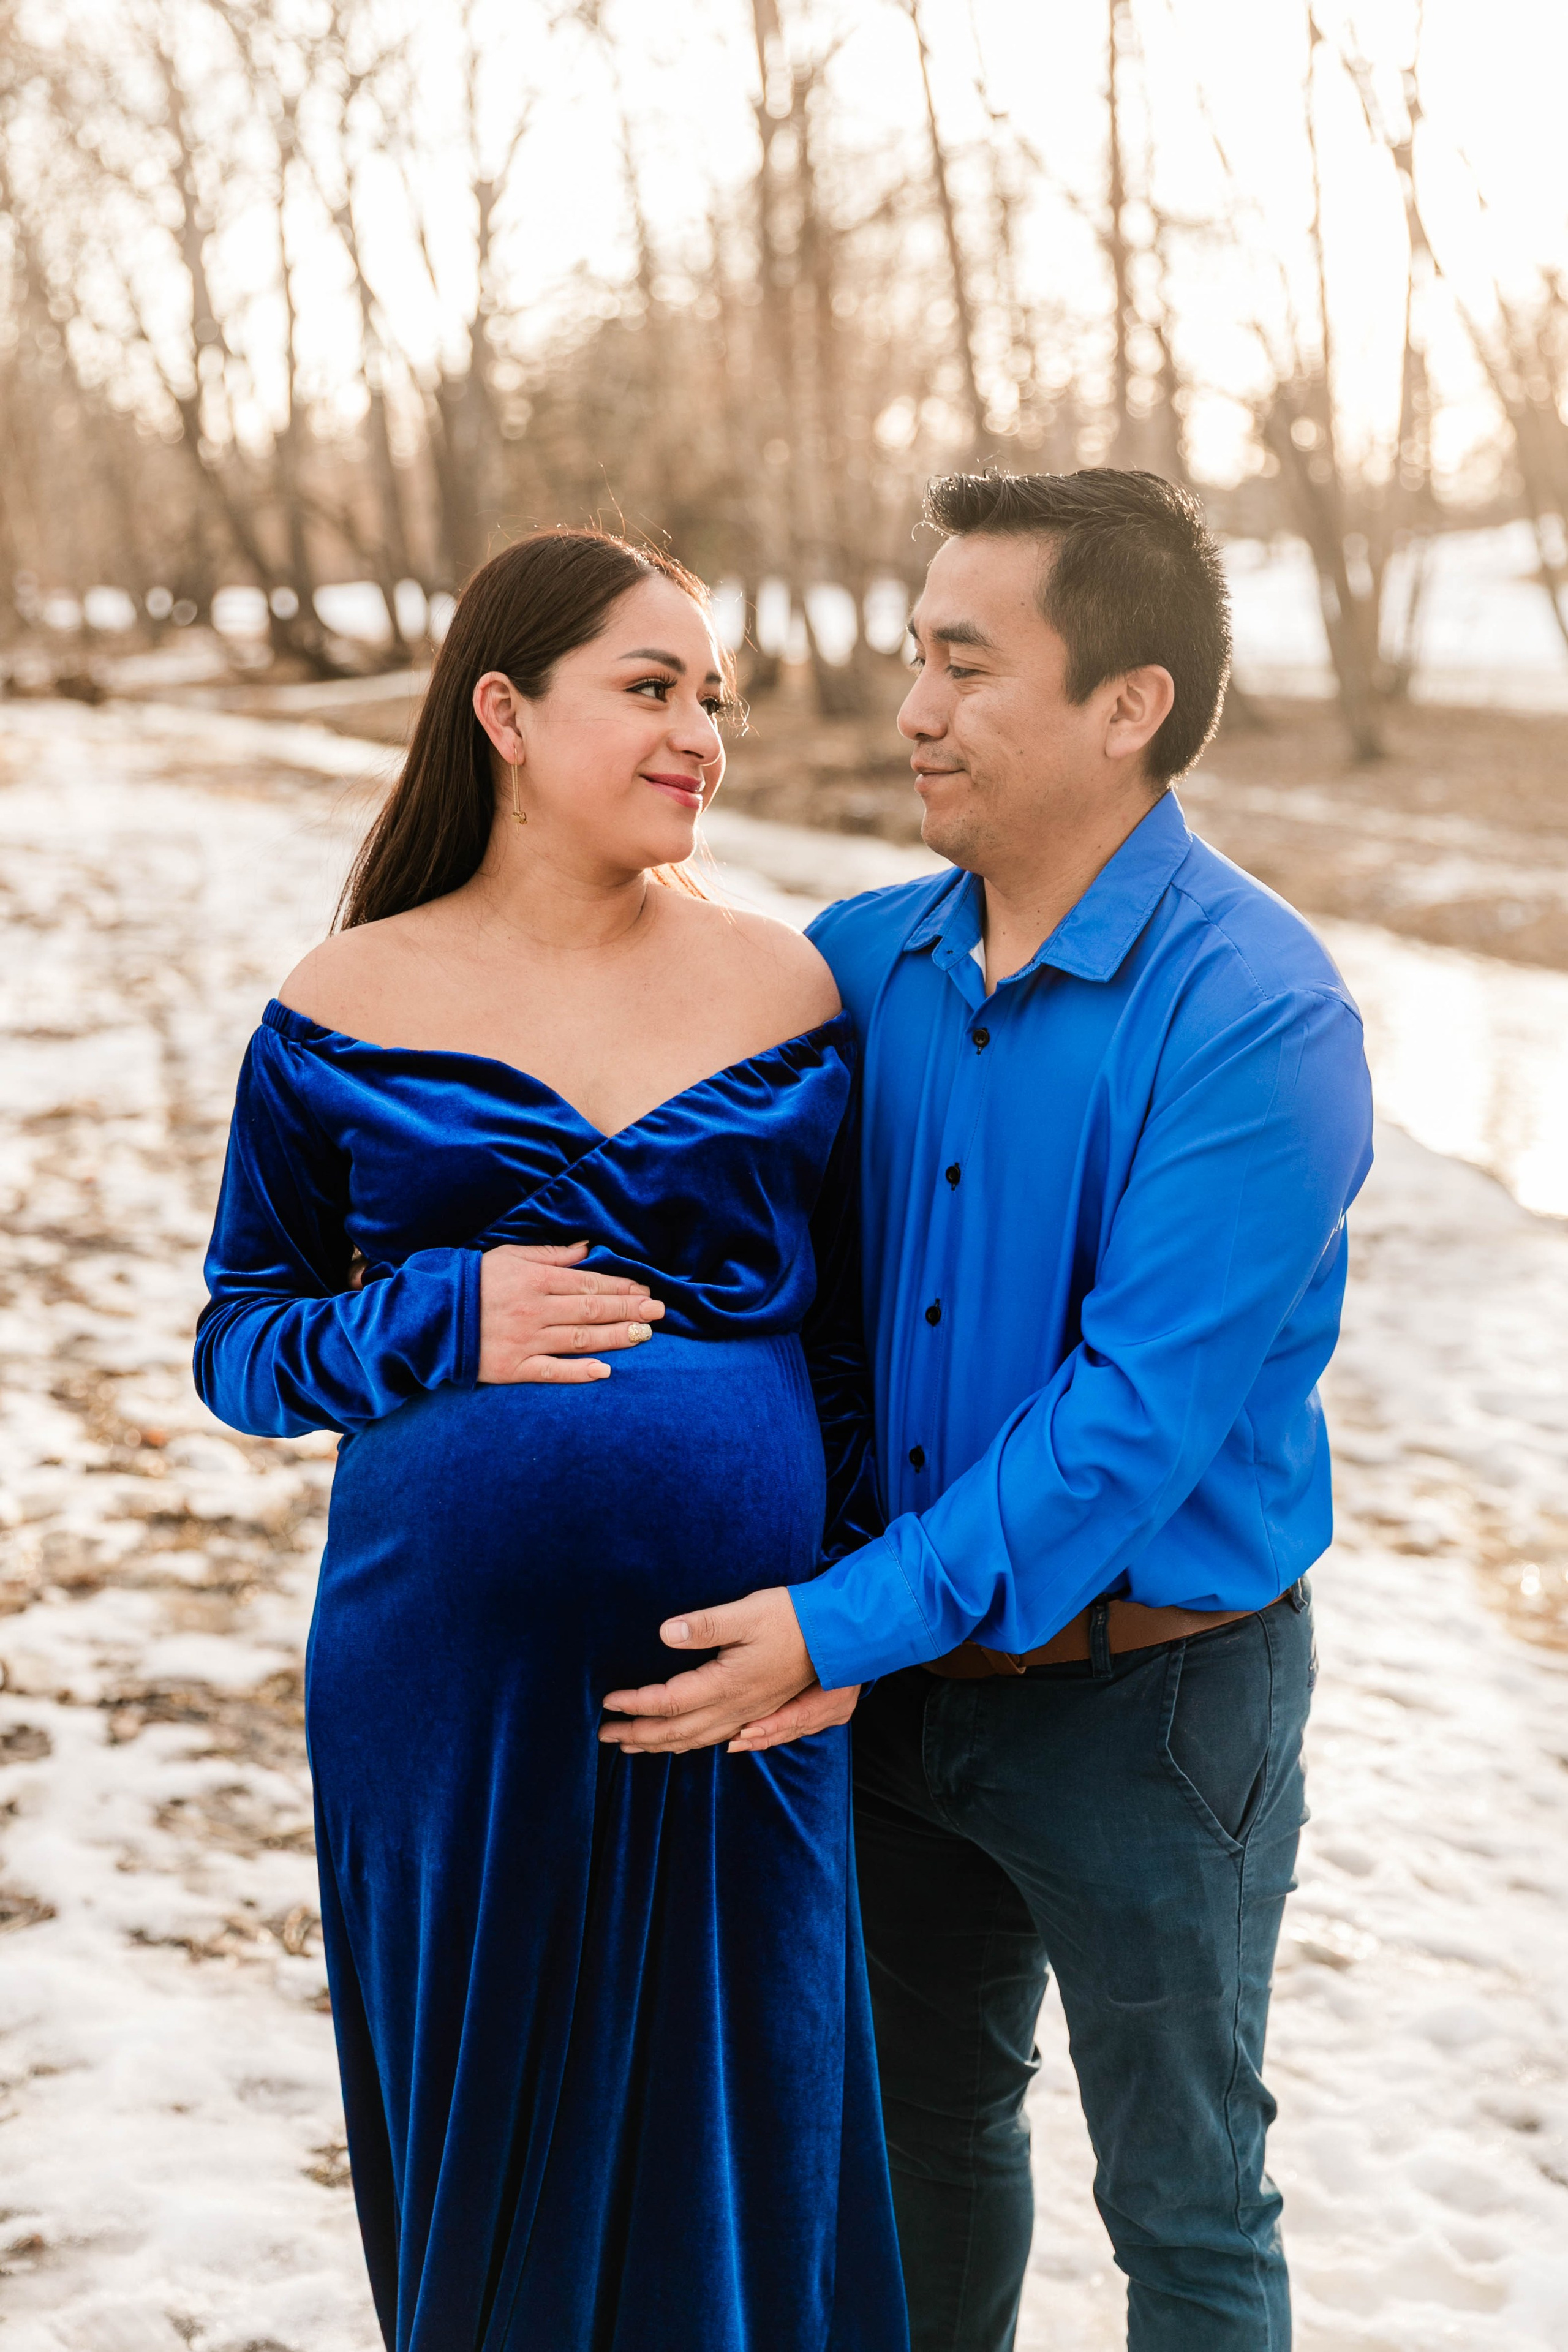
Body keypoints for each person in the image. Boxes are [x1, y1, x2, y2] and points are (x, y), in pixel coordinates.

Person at [600, 470, 1376, 2348]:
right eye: (914, 657)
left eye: (964, 663)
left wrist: (830, 1621)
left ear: (1132, 705)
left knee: (1186, 2204)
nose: (914, 711)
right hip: (890, 1694)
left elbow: (1126, 1429)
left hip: (1159, 1703)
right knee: (916, 2147)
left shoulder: (1263, 1018)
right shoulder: (859, 965)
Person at [193, 529, 908, 2352]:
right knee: (501, 2184)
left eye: (715, 699)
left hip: (746, 1683)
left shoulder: (794, 992)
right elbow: (242, 1345)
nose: (702, 737)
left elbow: (853, 1360)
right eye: (653, 689)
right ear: (504, 711)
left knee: (750, 2154)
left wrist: (845, 1627)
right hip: (451, 1704)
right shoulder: (344, 998)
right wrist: (443, 1316)